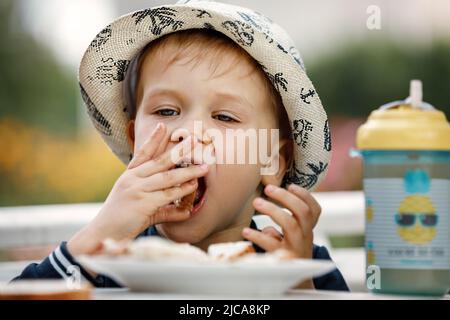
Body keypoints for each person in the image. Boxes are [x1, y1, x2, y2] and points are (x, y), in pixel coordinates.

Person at [14, 0, 348, 291]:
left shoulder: (301, 262)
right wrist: (93, 241)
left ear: (271, 161)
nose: (188, 133)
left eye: (225, 117)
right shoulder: (107, 263)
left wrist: (297, 283)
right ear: (135, 142)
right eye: (167, 111)